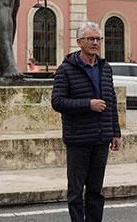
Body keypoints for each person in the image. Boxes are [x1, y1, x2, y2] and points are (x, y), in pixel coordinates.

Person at [51, 22, 121, 222]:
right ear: (79, 42)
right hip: (78, 139)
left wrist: (115, 132)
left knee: (96, 191)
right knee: (75, 191)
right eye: (91, 39)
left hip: (101, 138)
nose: (95, 43)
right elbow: (57, 102)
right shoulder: (66, 69)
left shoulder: (105, 68)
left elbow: (111, 101)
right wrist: (87, 104)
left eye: (98, 39)